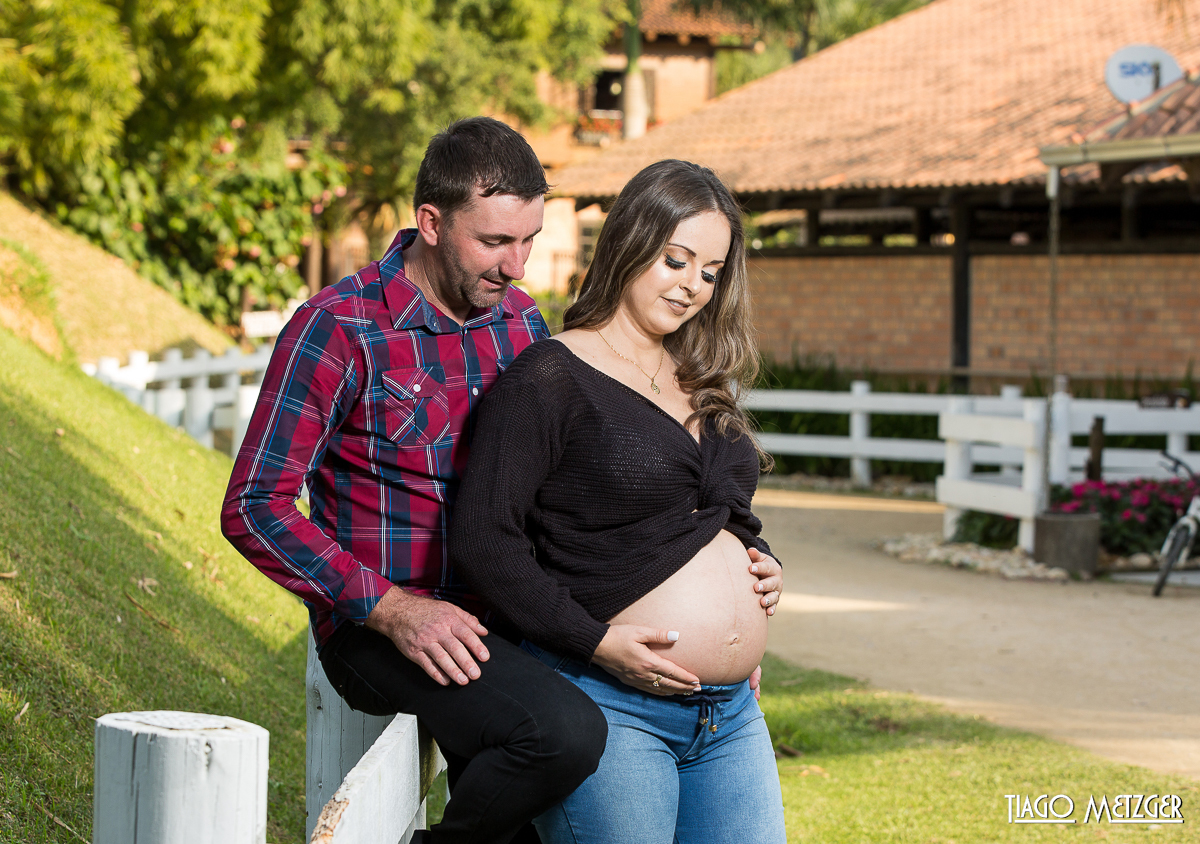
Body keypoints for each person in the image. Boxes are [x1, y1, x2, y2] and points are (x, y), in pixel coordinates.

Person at [221, 118, 611, 844]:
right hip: (379, 630)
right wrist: (395, 610)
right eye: (495, 242)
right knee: (564, 734)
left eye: (528, 239)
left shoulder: (522, 324)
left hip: (502, 619)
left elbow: (565, 485)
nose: (517, 266)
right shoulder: (337, 326)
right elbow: (255, 506)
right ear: (430, 222)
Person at [449, 159, 787, 844]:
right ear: (632, 242)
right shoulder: (550, 378)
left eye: (711, 271)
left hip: (729, 715)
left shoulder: (698, 377)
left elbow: (711, 511)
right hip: (612, 705)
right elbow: (486, 541)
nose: (693, 286)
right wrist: (597, 643)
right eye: (677, 259)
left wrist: (758, 561)